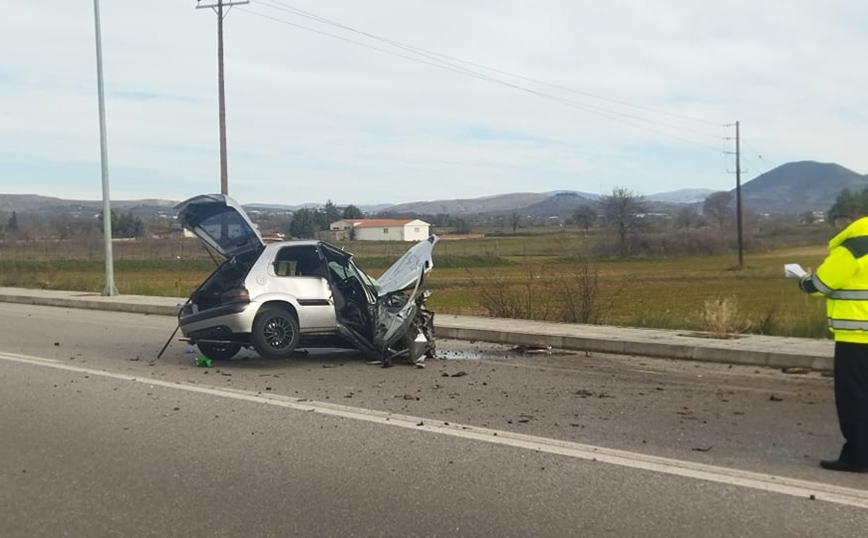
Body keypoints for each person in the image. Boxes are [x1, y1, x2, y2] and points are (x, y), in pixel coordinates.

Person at [799, 206, 868, 473]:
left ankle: (858, 457)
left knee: (854, 399)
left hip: (856, 337)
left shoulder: (853, 248)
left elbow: (820, 285)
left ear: (846, 222)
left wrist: (803, 280)